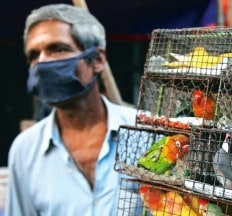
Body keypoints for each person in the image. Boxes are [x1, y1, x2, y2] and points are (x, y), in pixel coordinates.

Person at [6, 4, 141, 215]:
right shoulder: (25, 151)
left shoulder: (145, 132)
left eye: (57, 49)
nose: (42, 63)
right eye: (33, 55)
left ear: (97, 60)